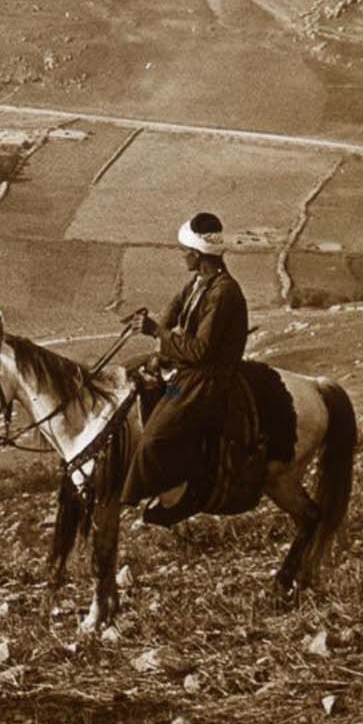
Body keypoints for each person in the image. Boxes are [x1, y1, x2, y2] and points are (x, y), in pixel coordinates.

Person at [121, 211, 250, 524]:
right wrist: (154, 333)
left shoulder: (223, 293)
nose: (181, 256)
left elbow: (199, 351)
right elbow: (173, 311)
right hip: (190, 368)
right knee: (127, 372)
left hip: (207, 377)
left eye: (184, 251)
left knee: (152, 440)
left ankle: (144, 501)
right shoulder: (199, 282)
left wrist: (157, 334)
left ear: (196, 254)